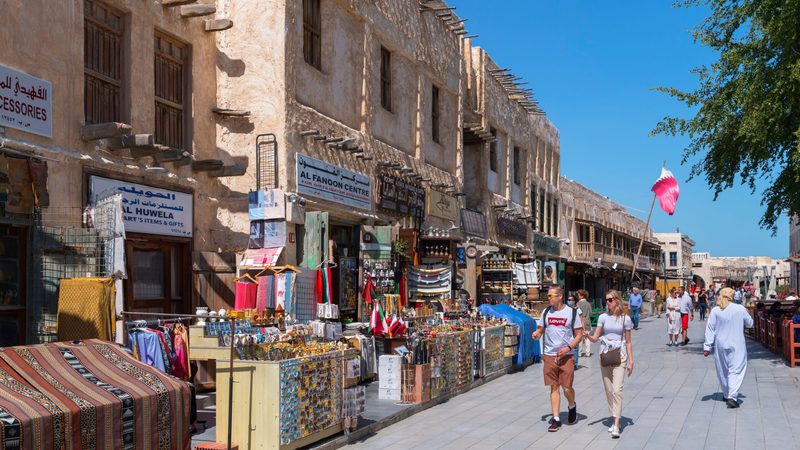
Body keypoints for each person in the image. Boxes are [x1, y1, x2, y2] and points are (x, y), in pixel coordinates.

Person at [531, 285, 584, 432]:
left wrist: (568, 348)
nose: (548, 298)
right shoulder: (546, 312)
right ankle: (556, 419)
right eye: (548, 296)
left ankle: (572, 405)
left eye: (550, 296)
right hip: (549, 355)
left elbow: (579, 334)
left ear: (560, 296)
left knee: (567, 387)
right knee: (554, 387)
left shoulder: (571, 313)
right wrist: (537, 333)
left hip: (566, 356)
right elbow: (541, 329)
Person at [586, 290, 634, 439]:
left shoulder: (625, 319)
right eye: (606, 300)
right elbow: (595, 337)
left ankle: (616, 423)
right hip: (605, 355)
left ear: (617, 301)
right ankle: (613, 416)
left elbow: (628, 341)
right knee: (608, 390)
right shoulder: (602, 317)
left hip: (620, 356)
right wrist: (587, 335)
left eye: (610, 300)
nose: (607, 302)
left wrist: (631, 361)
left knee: (617, 390)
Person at [703, 287, 754, 408]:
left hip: (721, 344)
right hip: (737, 344)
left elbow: (710, 328)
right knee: (736, 369)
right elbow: (750, 324)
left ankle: (727, 394)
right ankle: (732, 396)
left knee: (723, 369)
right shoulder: (740, 309)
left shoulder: (715, 310)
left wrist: (707, 346)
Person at [576, 290, 593, 357]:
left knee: (580, 338)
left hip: (580, 322)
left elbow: (577, 314)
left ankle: (579, 353)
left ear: (582, 296)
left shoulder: (578, 304)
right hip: (588, 322)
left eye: (579, 295)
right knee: (587, 338)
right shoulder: (588, 304)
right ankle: (588, 353)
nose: (578, 296)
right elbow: (591, 314)